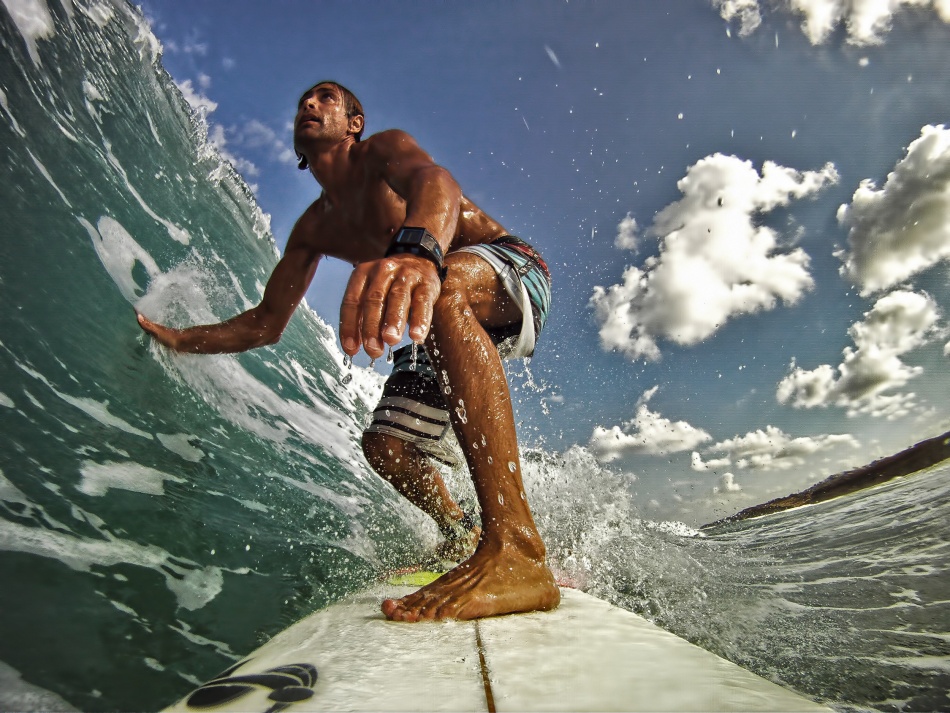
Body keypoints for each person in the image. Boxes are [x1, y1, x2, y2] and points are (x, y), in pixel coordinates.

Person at [136, 81, 559, 621]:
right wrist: (180, 339)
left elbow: (438, 181)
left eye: (325, 98)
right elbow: (265, 323)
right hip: (438, 307)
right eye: (302, 103)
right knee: (386, 447)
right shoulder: (316, 227)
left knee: (445, 288)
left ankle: (517, 549)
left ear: (354, 123)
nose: (308, 105)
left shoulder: (382, 151)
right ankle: (461, 531)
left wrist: (418, 252)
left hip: (504, 268)